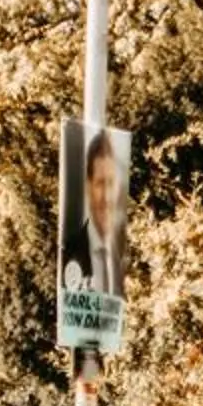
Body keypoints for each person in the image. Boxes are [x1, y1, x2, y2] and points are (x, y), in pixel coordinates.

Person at [59, 128, 124, 301]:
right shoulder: (70, 251)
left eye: (112, 184)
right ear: (88, 187)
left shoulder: (129, 251)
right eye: (100, 184)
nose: (107, 196)